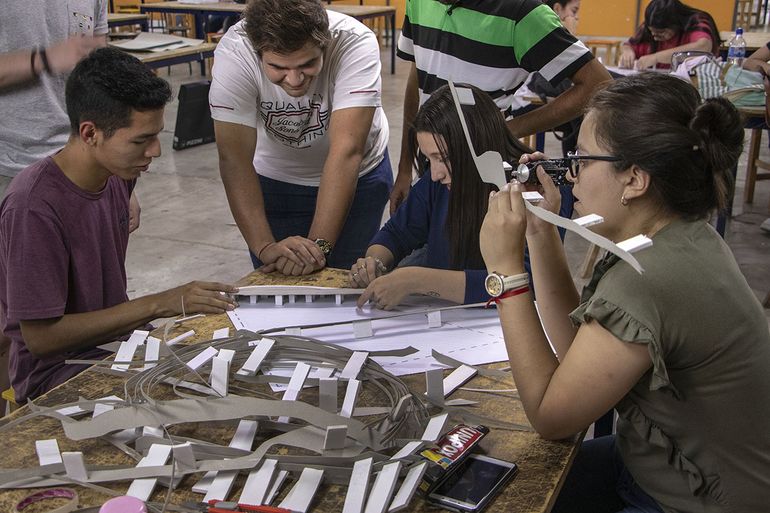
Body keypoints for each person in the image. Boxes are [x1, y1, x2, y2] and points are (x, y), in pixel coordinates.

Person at [479, 72, 770, 512]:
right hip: (652, 466)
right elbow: (580, 349)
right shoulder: (678, 235)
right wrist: (541, 231)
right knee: (501, 482)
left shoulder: (647, 277)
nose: (571, 170)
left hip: (694, 500)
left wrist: (505, 274)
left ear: (635, 179)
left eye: (584, 158)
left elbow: (551, 416)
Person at [0, 48, 238, 404]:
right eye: (141, 140)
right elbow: (41, 339)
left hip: (119, 346)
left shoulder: (116, 176)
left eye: (157, 134)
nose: (155, 151)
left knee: (232, 371)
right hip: (59, 374)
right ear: (90, 132)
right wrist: (159, 304)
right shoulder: (33, 207)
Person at [210, 0, 392, 277]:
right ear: (257, 52)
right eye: (278, 67)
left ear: (324, 43)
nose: (294, 79)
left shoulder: (354, 42)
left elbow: (347, 150)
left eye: (308, 64)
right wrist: (264, 246)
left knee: (345, 285)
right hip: (276, 181)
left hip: (359, 179)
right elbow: (234, 158)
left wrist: (316, 249)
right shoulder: (235, 53)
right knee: (279, 287)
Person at [389, 0, 611, 214]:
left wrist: (505, 130)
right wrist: (405, 168)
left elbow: (597, 84)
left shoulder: (523, 13)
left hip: (483, 172)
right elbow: (417, 76)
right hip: (433, 164)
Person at [352, 85, 528, 309]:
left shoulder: (527, 189)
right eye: (429, 159)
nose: (435, 174)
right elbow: (396, 233)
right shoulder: (437, 184)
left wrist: (416, 280)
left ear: (477, 146)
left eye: (443, 158)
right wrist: (374, 262)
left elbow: (522, 283)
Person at [0, 0, 108, 196]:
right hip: (12, 165)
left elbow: (99, 74)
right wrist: (44, 59)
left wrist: (114, 178)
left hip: (82, 161)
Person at [619, 0, 719, 70]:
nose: (655, 36)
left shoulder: (696, 20)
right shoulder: (650, 27)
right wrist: (627, 51)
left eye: (661, 33)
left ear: (676, 24)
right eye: (651, 32)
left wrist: (656, 57)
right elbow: (628, 45)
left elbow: (703, 46)